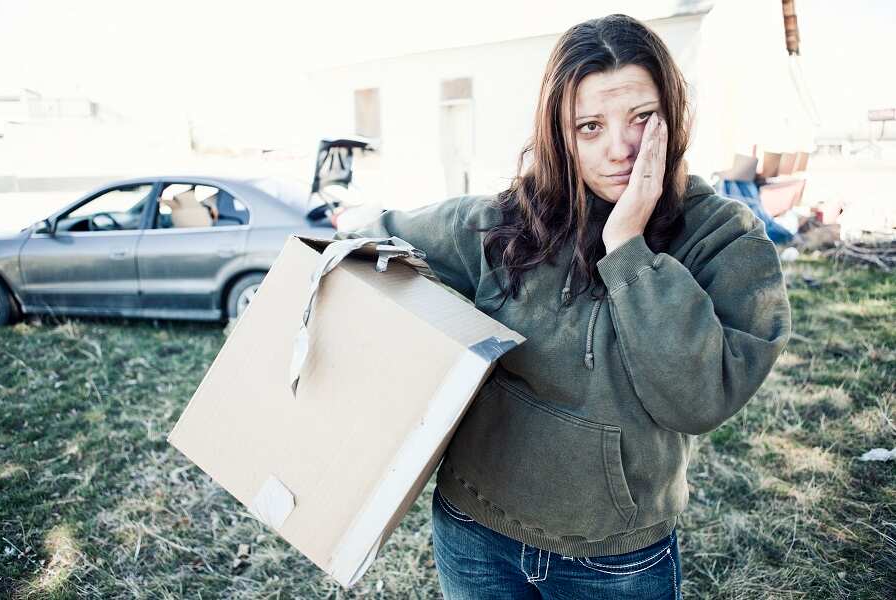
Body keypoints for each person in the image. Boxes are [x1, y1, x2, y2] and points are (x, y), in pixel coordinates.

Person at [335, 13, 791, 599]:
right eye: (590, 127)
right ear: (560, 134)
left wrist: (627, 247)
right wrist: (332, 249)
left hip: (611, 559)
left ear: (673, 116)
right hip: (476, 532)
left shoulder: (723, 238)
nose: (620, 149)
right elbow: (382, 235)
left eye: (642, 119)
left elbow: (699, 398)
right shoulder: (511, 221)